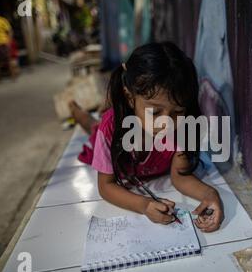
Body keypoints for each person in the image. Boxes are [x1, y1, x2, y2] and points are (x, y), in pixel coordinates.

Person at [85, 42, 223, 232]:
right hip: (105, 133)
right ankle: (77, 111)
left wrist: (210, 193)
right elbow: (106, 186)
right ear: (130, 97)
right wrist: (144, 205)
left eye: (177, 112)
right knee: (92, 127)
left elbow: (180, 176)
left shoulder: (183, 128)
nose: (166, 123)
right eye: (155, 111)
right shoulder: (110, 129)